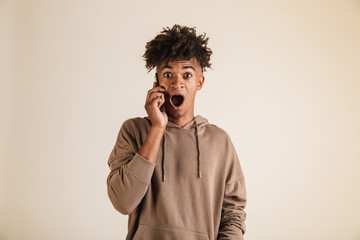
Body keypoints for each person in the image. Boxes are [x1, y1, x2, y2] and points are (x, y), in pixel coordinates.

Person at [106, 24, 247, 240]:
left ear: (200, 82)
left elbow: (233, 215)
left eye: (187, 75)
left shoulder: (220, 141)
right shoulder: (133, 130)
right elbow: (123, 202)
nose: (177, 82)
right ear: (157, 82)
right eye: (168, 74)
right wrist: (157, 128)